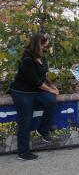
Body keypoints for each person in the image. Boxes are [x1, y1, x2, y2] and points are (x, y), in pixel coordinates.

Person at [10, 33, 59, 161]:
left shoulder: (42, 58)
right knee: (25, 120)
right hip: (22, 92)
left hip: (35, 90)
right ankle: (23, 152)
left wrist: (52, 87)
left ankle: (43, 130)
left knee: (50, 101)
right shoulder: (27, 60)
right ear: (39, 45)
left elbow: (43, 76)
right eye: (46, 45)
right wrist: (49, 89)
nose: (47, 48)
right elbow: (36, 81)